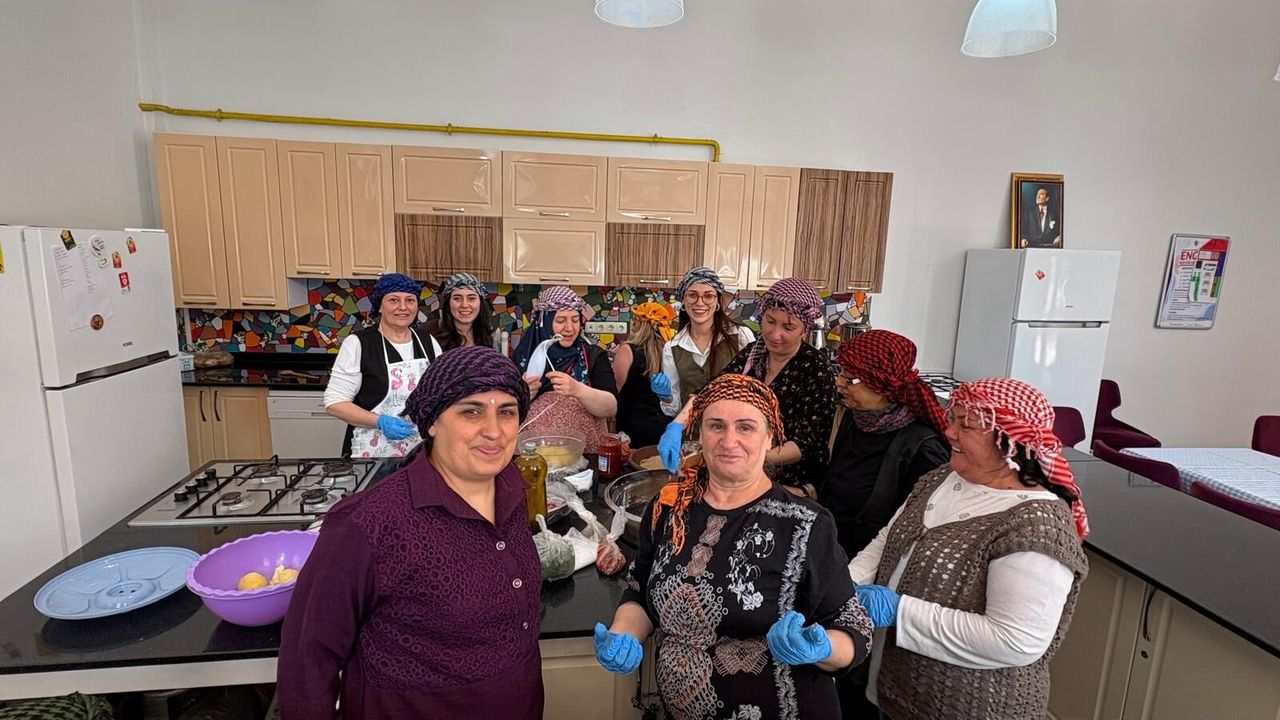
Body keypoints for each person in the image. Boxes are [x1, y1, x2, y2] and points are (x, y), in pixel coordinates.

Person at [279, 346, 542, 720]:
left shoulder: (513, 490)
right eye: (471, 411)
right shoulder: (368, 523)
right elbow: (306, 663)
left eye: (507, 412)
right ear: (432, 422)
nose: (494, 431)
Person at [594, 374, 873, 719]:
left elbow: (854, 629)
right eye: (716, 426)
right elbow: (640, 588)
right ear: (699, 435)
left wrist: (822, 648)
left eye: (745, 427)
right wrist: (623, 635)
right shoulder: (670, 508)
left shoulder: (805, 524)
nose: (729, 440)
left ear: (769, 437)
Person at [848, 378, 1090, 720]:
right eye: (952, 419)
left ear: (1010, 442)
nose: (949, 432)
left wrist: (900, 611)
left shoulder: (1036, 525)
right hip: (891, 687)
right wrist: (845, 588)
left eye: (966, 425)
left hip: (968, 706)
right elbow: (889, 539)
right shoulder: (943, 477)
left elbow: (1015, 640)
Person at [660, 278, 836, 499]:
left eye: (788, 327)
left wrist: (746, 456)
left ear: (804, 330)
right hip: (744, 474)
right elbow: (714, 389)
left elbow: (807, 444)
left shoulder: (816, 369)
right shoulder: (754, 355)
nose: (775, 334)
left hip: (792, 486)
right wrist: (677, 425)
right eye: (770, 321)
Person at [820, 330, 951, 560]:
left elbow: (913, 530)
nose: (838, 383)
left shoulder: (922, 449)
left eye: (850, 379)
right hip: (831, 547)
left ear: (881, 385)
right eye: (840, 372)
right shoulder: (854, 419)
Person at [324, 273, 444, 457]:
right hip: (371, 451)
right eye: (394, 300)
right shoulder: (358, 343)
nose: (403, 307)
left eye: (410, 300)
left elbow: (442, 393)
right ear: (379, 305)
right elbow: (335, 402)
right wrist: (379, 421)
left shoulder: (427, 341)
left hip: (420, 450)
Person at [512, 286, 617, 452]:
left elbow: (611, 408)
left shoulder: (592, 355)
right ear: (544, 322)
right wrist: (523, 395)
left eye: (575, 320)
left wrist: (578, 390)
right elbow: (503, 412)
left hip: (585, 455)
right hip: (530, 457)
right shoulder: (523, 359)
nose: (569, 328)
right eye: (561, 321)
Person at [656, 267, 755, 417]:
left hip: (733, 426)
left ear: (717, 301)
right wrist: (667, 397)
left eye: (708, 296)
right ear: (683, 301)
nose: (700, 302)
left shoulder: (740, 336)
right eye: (692, 295)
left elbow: (755, 387)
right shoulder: (672, 348)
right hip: (692, 429)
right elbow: (675, 409)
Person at [613, 301, 677, 447]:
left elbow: (613, 392)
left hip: (633, 429)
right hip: (665, 428)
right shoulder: (672, 353)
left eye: (635, 321)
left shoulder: (627, 351)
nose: (633, 325)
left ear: (641, 325)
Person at [420, 272, 494, 351]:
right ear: (448, 303)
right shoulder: (426, 333)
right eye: (457, 298)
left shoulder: (486, 333)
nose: (464, 305)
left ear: (480, 303)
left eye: (471, 298)